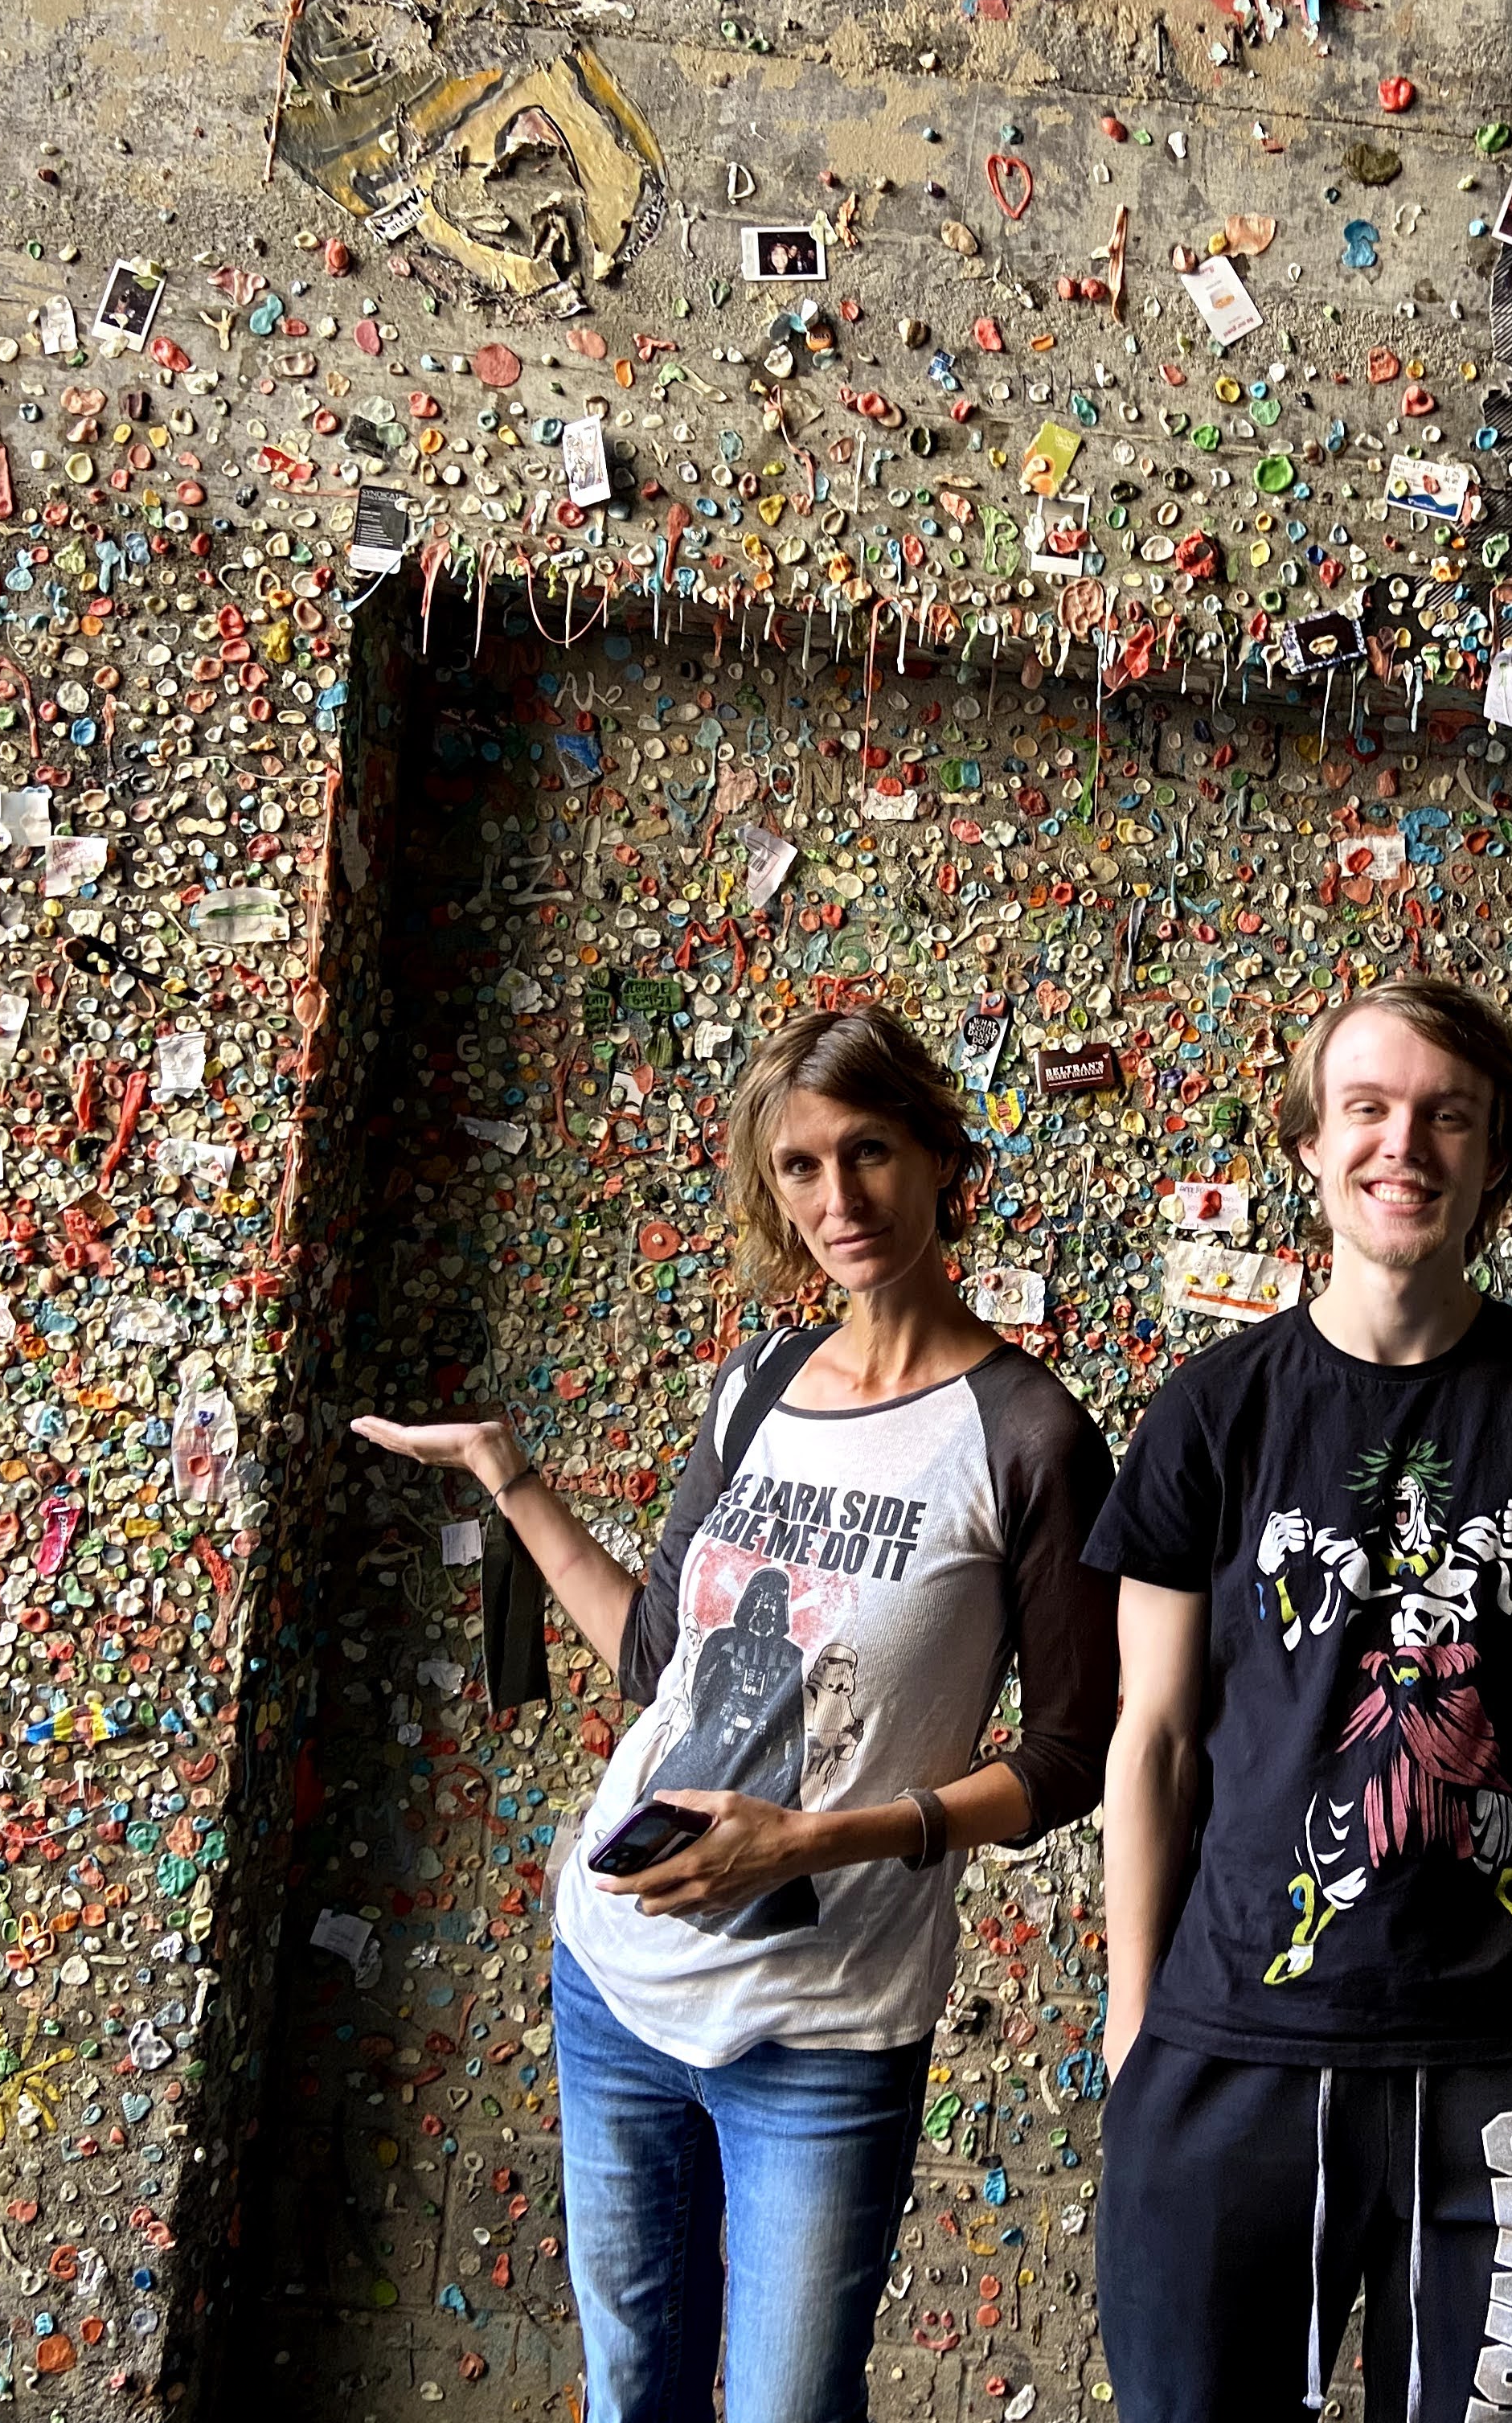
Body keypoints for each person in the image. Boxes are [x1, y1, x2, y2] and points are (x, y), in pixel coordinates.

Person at [351, 1005, 1120, 2423]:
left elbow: (1071, 1760)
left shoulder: (1028, 1437)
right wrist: (513, 1479)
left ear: (944, 1158)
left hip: (822, 2032)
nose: (841, 1200)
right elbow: (656, 1658)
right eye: (801, 1168)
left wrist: (817, 1842)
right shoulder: (760, 1386)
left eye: (872, 1152)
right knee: (633, 2389)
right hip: (618, 1987)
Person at [1089, 974, 1512, 2422]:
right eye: (1367, 1109)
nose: (1404, 1147)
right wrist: (1135, 2024)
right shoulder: (1213, 1410)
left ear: (1497, 1156)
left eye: (1450, 1117)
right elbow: (1156, 1737)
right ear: (1310, 1142)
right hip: (1231, 2053)